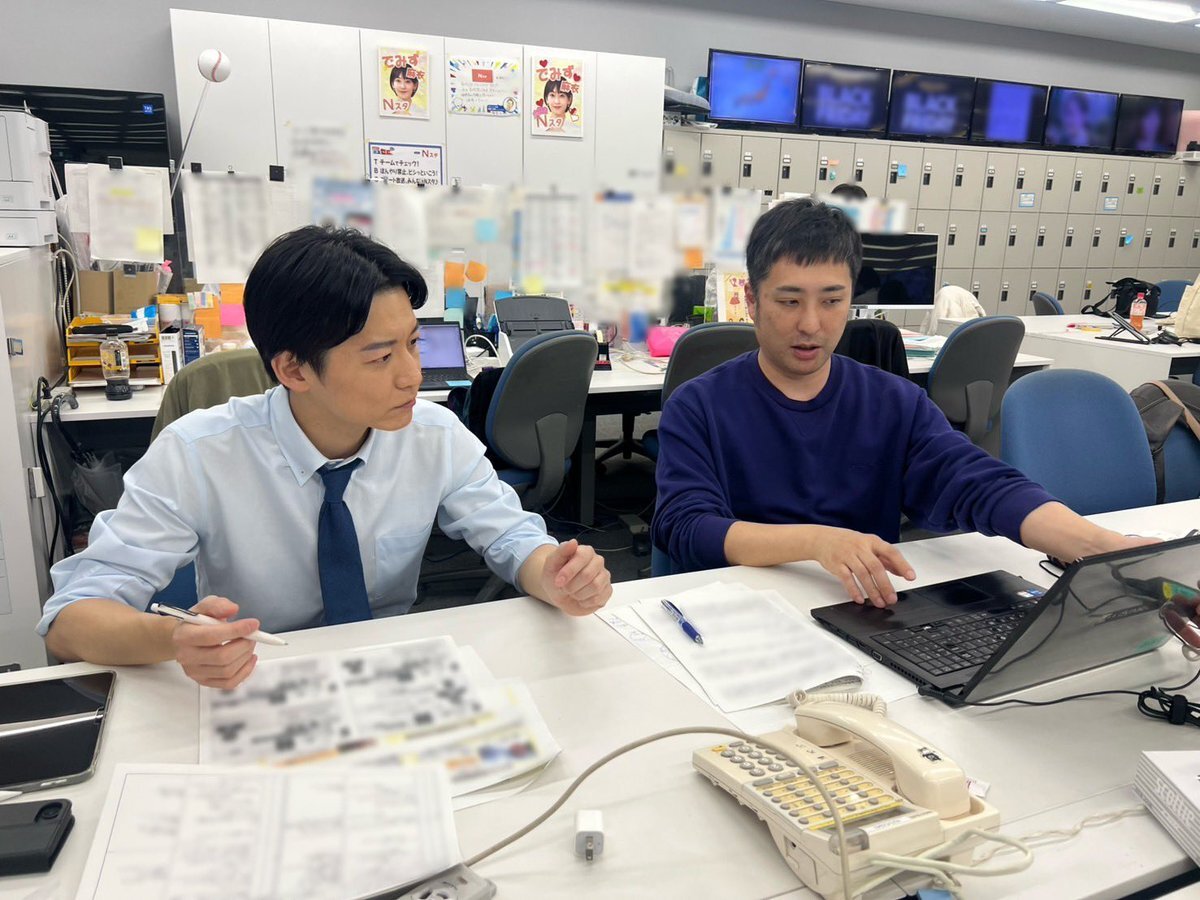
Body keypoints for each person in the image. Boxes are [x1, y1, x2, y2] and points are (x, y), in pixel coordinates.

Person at [40, 227, 613, 689]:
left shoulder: (433, 434)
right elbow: (70, 619)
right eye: (380, 357)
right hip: (259, 680)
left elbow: (511, 537)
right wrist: (174, 641)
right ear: (293, 369)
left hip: (388, 678)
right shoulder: (199, 454)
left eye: (413, 343)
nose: (412, 376)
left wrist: (554, 575)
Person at [652, 199, 1154, 607]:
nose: (811, 324)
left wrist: (1101, 546)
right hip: (741, 617)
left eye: (831, 301)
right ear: (752, 299)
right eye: (789, 301)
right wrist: (817, 541)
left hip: (858, 609)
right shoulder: (700, 405)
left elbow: (976, 481)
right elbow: (685, 527)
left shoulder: (893, 401)